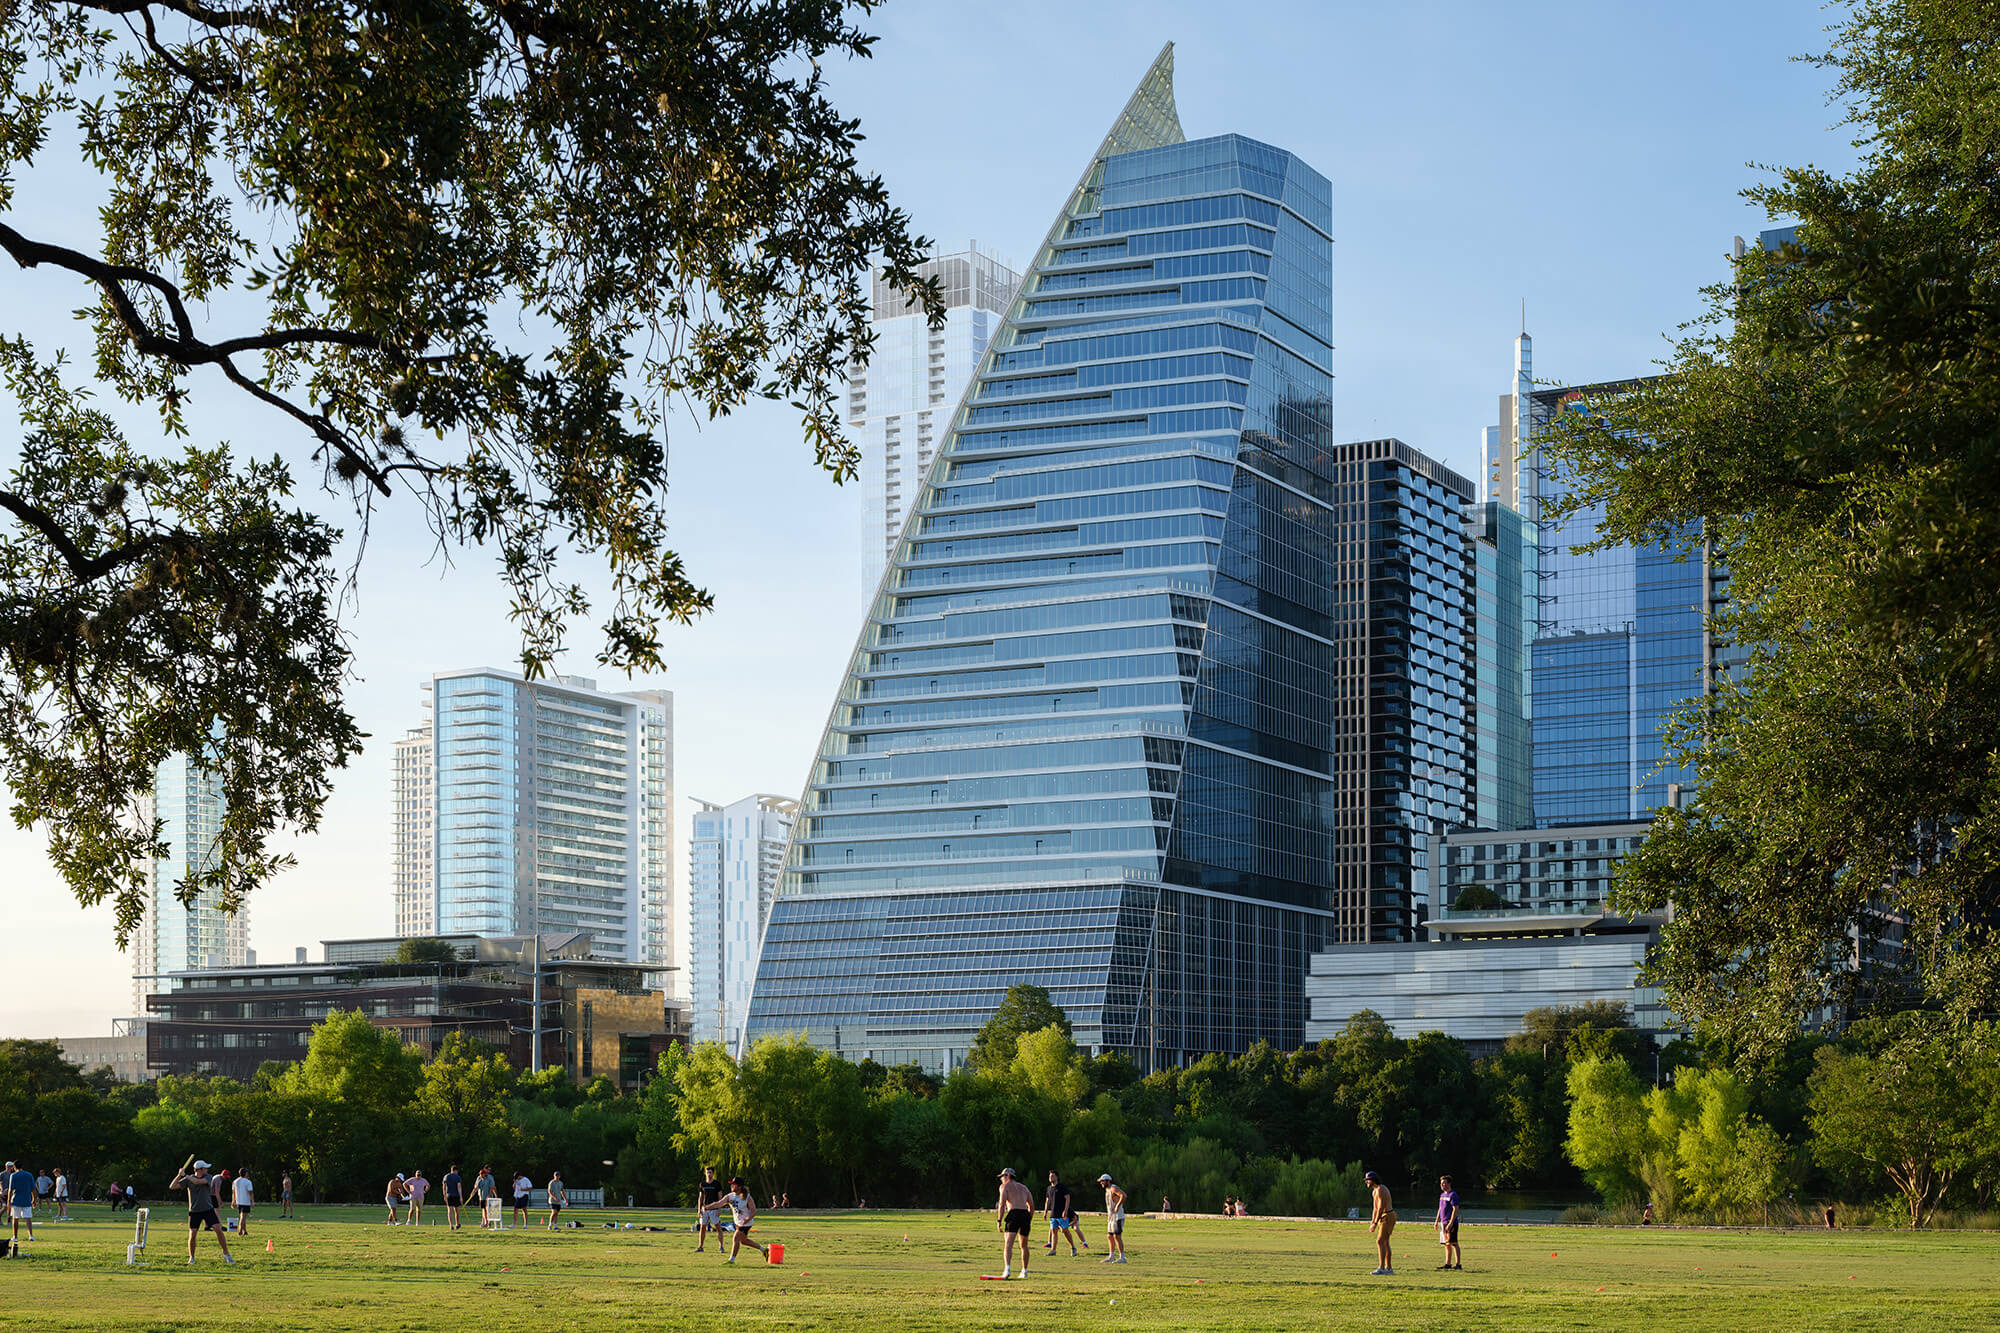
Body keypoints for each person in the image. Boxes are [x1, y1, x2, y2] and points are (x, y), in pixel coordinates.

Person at [170, 1160, 235, 1266]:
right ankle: (192, 1258)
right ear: (199, 1170)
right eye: (205, 1168)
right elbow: (172, 1186)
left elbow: (198, 1182)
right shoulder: (188, 1179)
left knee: (218, 1229)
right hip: (194, 1211)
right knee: (192, 1234)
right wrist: (179, 1175)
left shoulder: (208, 1177)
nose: (207, 1169)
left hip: (208, 1209)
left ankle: (226, 1254)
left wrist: (185, 1175)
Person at [993, 1167, 1034, 1279]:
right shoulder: (1024, 1187)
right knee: (1024, 1246)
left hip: (1014, 1214)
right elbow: (1031, 1205)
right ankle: (1024, 1271)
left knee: (1008, 1244)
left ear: (1007, 1176)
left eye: (1002, 1177)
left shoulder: (1004, 1186)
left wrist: (999, 1220)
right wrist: (1028, 1218)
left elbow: (1001, 1204)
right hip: (1025, 1214)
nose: (1001, 1179)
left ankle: (1007, 1270)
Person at [717, 1177, 767, 1264]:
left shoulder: (747, 1197)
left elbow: (754, 1211)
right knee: (743, 1241)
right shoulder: (731, 1196)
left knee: (735, 1239)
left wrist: (747, 1220)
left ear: (739, 1186)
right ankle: (764, 1250)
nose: (731, 1186)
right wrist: (707, 1207)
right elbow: (719, 1203)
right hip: (739, 1222)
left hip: (745, 1223)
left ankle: (731, 1260)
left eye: (734, 1184)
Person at [1365, 1170, 1396, 1276]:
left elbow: (1381, 1207)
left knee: (1380, 1241)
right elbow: (1375, 1208)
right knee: (1385, 1242)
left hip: (1387, 1216)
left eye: (1367, 1180)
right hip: (1383, 1216)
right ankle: (1388, 1268)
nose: (1366, 1182)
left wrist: (1375, 1223)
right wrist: (1372, 1221)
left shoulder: (1381, 1189)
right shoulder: (1374, 1191)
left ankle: (1382, 1267)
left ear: (1373, 1180)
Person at [1044, 1171, 1076, 1257]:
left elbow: (1067, 1198)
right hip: (1053, 1214)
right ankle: (1053, 1250)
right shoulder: (1049, 1188)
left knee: (1065, 1231)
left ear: (1057, 1177)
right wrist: (1045, 1212)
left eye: (1053, 1176)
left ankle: (1073, 1247)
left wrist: (1065, 1211)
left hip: (1062, 1214)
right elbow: (1047, 1201)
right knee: (1054, 1231)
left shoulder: (1061, 1187)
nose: (1050, 1177)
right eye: (1050, 1176)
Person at [1098, 1173, 1128, 1264]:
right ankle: (1111, 1256)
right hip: (1111, 1217)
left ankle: (1122, 1257)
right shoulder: (1107, 1190)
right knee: (1109, 1236)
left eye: (1103, 1181)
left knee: (1117, 1236)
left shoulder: (1113, 1188)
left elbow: (1123, 1195)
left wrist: (1117, 1206)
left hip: (1117, 1216)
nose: (1101, 1183)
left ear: (1108, 1181)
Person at [694, 1167, 725, 1254]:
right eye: (707, 1172)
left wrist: (719, 1208)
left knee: (718, 1228)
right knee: (702, 1228)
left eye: (710, 1172)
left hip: (714, 1210)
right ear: (705, 1173)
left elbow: (720, 1197)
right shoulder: (702, 1184)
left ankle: (721, 1247)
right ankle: (700, 1246)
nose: (709, 1174)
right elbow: (700, 1197)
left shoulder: (717, 1184)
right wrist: (699, 1209)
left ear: (713, 1173)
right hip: (704, 1210)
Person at [5, 1161, 34, 1253]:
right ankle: (31, 1235)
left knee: (15, 1218)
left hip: (16, 1200)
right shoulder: (29, 1175)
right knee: (28, 1218)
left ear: (14, 1167)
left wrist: (8, 1201)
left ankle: (15, 1236)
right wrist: (34, 1199)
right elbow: (33, 1188)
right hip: (27, 1199)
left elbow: (10, 1190)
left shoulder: (13, 1176)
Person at [1435, 1174, 1460, 1271]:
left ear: (1449, 1184)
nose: (1442, 1185)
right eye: (1441, 1183)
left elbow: (1455, 1209)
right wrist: (1437, 1221)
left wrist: (1451, 1223)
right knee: (1446, 1243)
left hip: (1451, 1223)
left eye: (1444, 1183)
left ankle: (1458, 1264)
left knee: (1454, 1243)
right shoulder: (1442, 1195)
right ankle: (1448, 1263)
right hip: (1443, 1222)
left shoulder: (1453, 1195)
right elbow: (1440, 1209)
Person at [232, 1167, 255, 1239]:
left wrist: (233, 1201)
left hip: (239, 1201)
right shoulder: (248, 1182)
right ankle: (240, 1231)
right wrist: (252, 1201)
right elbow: (250, 1193)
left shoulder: (235, 1181)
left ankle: (245, 1231)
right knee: (243, 1217)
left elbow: (233, 1192)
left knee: (243, 1217)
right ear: (245, 1173)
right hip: (245, 1202)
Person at [442, 1164, 464, 1231]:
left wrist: (444, 1195)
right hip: (456, 1195)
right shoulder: (457, 1177)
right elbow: (459, 1187)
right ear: (455, 1170)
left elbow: (444, 1187)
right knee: (456, 1211)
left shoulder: (446, 1176)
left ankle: (451, 1225)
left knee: (449, 1210)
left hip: (448, 1195)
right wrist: (461, 1197)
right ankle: (457, 1224)